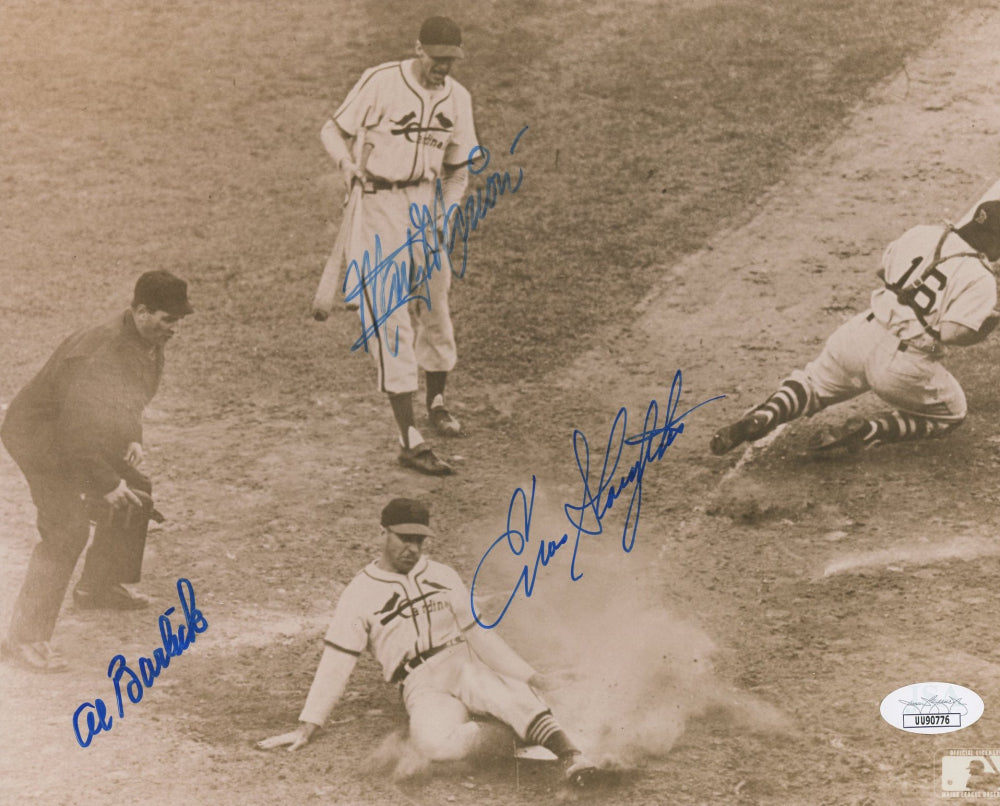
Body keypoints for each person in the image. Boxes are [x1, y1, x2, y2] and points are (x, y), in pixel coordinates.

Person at [257, 498, 598, 789]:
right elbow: (337, 662)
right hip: (418, 683)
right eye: (404, 538)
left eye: (419, 540)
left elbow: (480, 634)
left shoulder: (443, 575)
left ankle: (572, 757)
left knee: (497, 687)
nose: (413, 549)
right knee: (434, 745)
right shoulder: (359, 592)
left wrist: (533, 677)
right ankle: (516, 732)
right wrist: (308, 724)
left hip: (460, 660)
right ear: (383, 533)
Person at [1, 270, 193, 672]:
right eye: (168, 319)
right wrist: (104, 483)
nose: (174, 329)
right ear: (141, 311)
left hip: (76, 432)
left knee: (135, 487)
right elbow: (74, 431)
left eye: (178, 320)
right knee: (67, 528)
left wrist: (132, 436)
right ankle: (25, 637)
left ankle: (98, 586)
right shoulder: (101, 353)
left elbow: (127, 398)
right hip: (43, 440)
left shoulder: (145, 340)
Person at [319, 16, 480, 476]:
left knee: (436, 308)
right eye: (436, 59)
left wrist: (447, 214)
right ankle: (409, 437)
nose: (443, 69)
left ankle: (437, 400)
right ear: (418, 49)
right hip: (375, 208)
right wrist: (347, 164)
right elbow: (332, 130)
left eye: (451, 61)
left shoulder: (458, 98)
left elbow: (458, 169)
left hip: (425, 206)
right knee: (390, 321)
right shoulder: (380, 81)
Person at [711, 200, 1000, 455]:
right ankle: (872, 431)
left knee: (812, 383)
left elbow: (882, 271)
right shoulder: (981, 278)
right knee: (952, 413)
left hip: (860, 333)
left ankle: (766, 414)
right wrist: (985, 325)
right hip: (905, 366)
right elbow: (952, 333)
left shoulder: (923, 232)